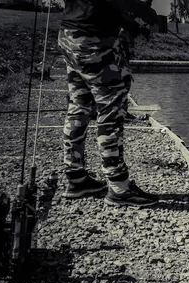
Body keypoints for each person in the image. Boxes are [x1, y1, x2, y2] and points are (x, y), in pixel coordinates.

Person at [58, 0, 159, 206]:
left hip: (70, 35)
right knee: (111, 111)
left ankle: (76, 178)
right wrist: (145, 11)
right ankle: (119, 187)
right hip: (93, 41)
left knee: (79, 107)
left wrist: (130, 23)